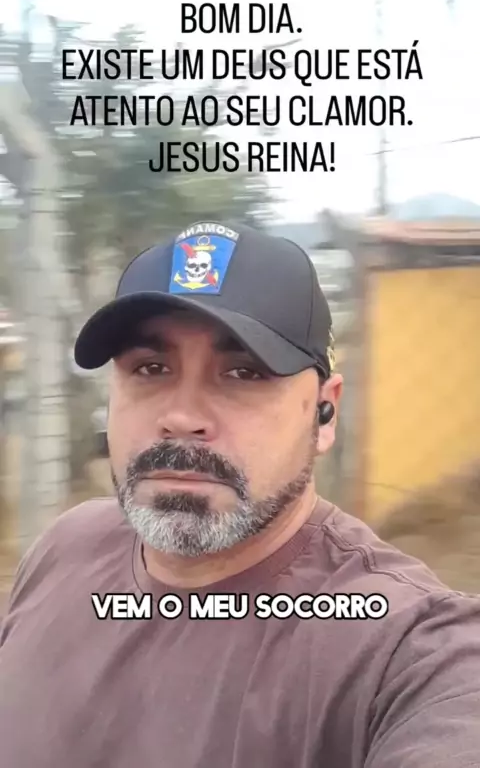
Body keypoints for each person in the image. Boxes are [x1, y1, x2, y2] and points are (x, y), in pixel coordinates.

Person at [1, 219, 479, 768]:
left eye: (244, 373)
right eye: (151, 368)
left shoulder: (408, 653)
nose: (182, 416)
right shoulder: (63, 549)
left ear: (325, 414)